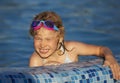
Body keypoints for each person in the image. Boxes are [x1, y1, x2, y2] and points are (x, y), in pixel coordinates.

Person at [29, 11, 120, 80]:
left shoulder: (72, 49)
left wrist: (110, 58)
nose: (42, 44)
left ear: (60, 38)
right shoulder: (36, 60)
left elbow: (101, 49)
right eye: (38, 39)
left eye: (48, 39)